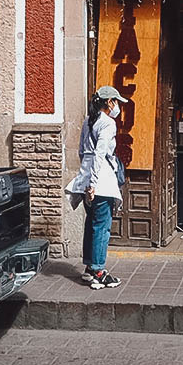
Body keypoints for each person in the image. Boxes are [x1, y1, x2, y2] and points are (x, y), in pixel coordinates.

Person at [65, 85, 127, 289]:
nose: (117, 106)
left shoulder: (88, 121)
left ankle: (90, 268)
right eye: (116, 102)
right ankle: (99, 271)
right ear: (109, 103)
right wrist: (93, 183)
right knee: (102, 226)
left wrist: (86, 179)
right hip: (101, 182)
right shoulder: (108, 123)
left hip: (86, 178)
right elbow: (100, 154)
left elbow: (83, 152)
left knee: (91, 224)